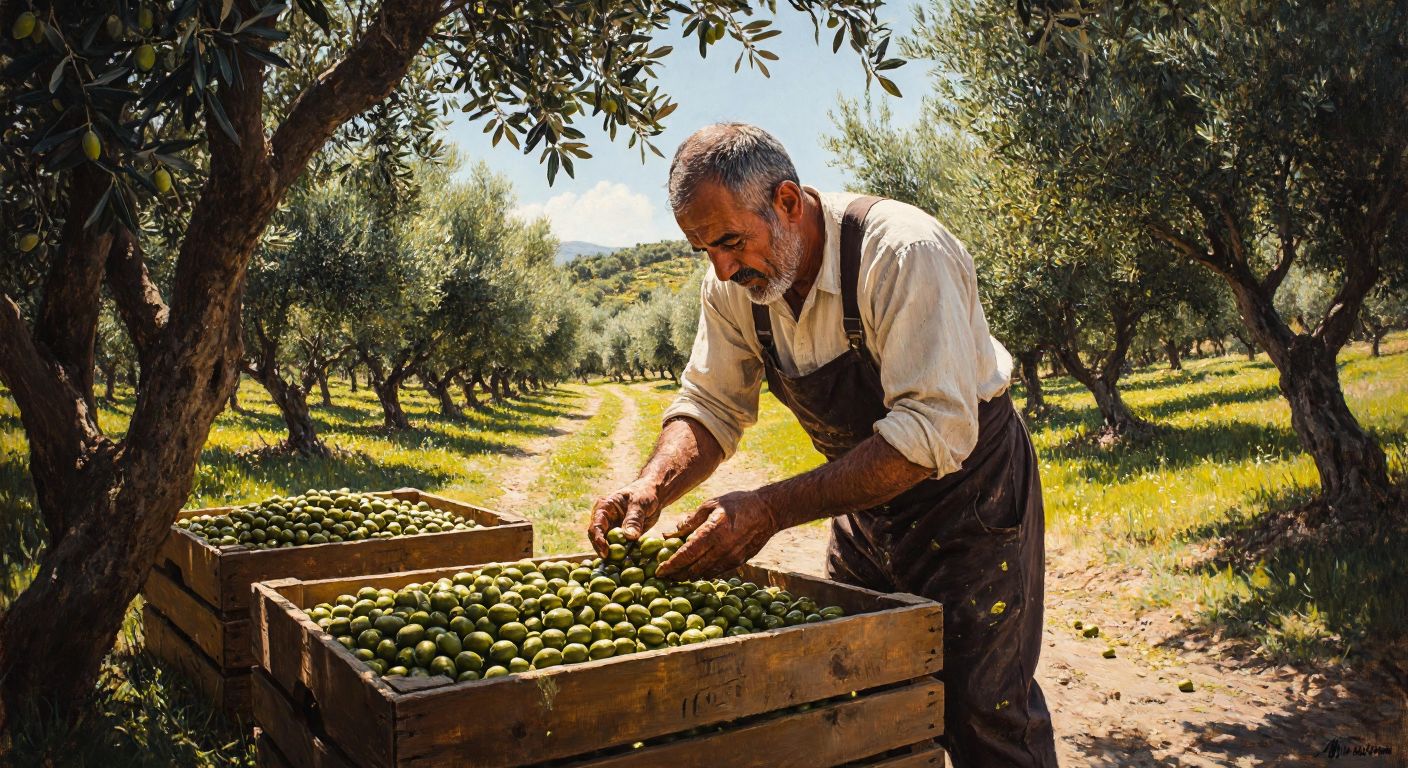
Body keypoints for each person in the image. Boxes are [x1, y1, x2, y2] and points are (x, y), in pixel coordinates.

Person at [587, 123, 1058, 767]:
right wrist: (652, 485)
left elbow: (929, 433)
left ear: (786, 201)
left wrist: (771, 509)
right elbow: (710, 405)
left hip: (970, 500)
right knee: (856, 695)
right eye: (704, 251)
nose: (723, 268)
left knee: (985, 710)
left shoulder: (901, 253)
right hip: (864, 507)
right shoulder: (736, 285)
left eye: (729, 242)